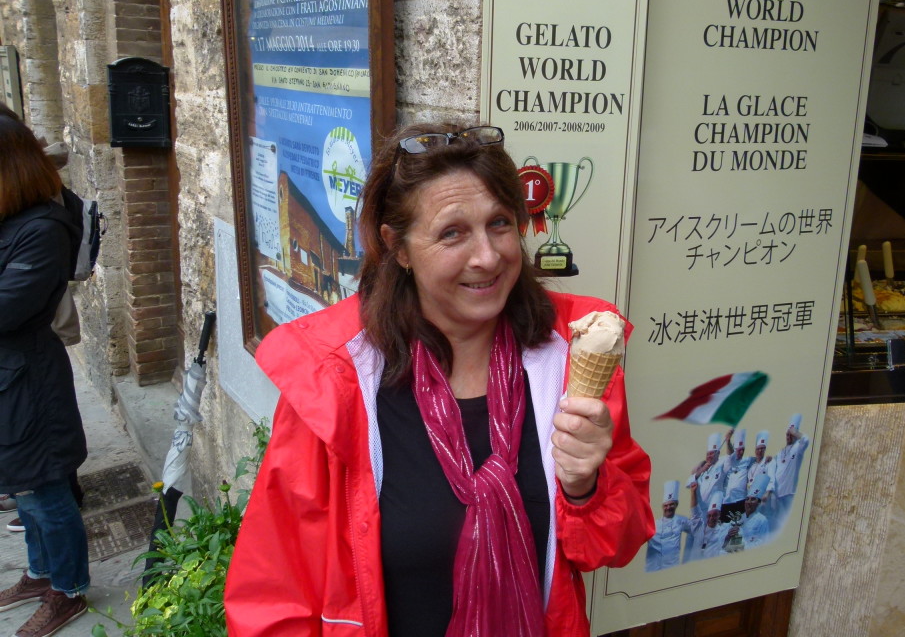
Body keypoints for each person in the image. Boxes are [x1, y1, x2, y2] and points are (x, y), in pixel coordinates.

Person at [224, 123, 654, 637]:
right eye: (452, 232)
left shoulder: (569, 357)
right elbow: (273, 590)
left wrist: (585, 487)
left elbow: (614, 545)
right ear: (398, 247)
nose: (488, 257)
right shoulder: (338, 382)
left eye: (499, 223)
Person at [0, 104, 90, 637]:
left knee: (46, 489)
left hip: (29, 380)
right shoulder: (13, 219)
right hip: (9, 377)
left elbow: (8, 308)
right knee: (22, 485)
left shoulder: (42, 228)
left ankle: (69, 589)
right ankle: (39, 573)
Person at [771, 414, 811, 531]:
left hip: (789, 494)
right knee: (776, 524)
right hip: (777, 496)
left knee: (787, 526)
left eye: (791, 434)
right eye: (787, 434)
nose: (789, 436)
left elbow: (806, 440)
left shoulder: (798, 447)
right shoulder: (780, 453)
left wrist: (795, 432)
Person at [645, 480, 685, 572]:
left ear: (676, 505)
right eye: (666, 505)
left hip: (672, 568)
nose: (668, 508)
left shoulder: (681, 521)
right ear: (663, 506)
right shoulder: (654, 524)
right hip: (653, 568)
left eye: (671, 504)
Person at [720, 428, 753, 518]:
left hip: (741, 500)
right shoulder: (726, 461)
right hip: (727, 501)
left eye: (743, 449)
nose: (741, 452)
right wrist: (728, 441)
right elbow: (730, 455)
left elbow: (759, 460)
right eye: (739, 450)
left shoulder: (748, 460)